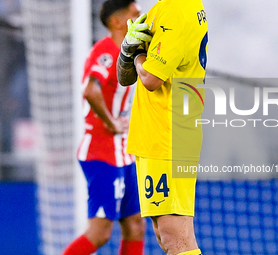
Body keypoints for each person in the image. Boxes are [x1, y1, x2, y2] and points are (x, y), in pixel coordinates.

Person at [117, 0, 208, 254]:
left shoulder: (174, 11)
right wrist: (128, 51)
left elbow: (150, 78)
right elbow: (126, 77)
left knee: (175, 238)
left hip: (167, 133)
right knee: (165, 233)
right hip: (162, 132)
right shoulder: (172, 7)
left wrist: (136, 54)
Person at [62, 0, 146, 254]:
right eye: (135, 15)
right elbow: (90, 90)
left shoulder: (131, 53)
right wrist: (112, 123)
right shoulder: (106, 51)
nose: (141, 21)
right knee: (100, 233)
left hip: (123, 153)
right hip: (101, 152)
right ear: (117, 22)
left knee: (135, 225)